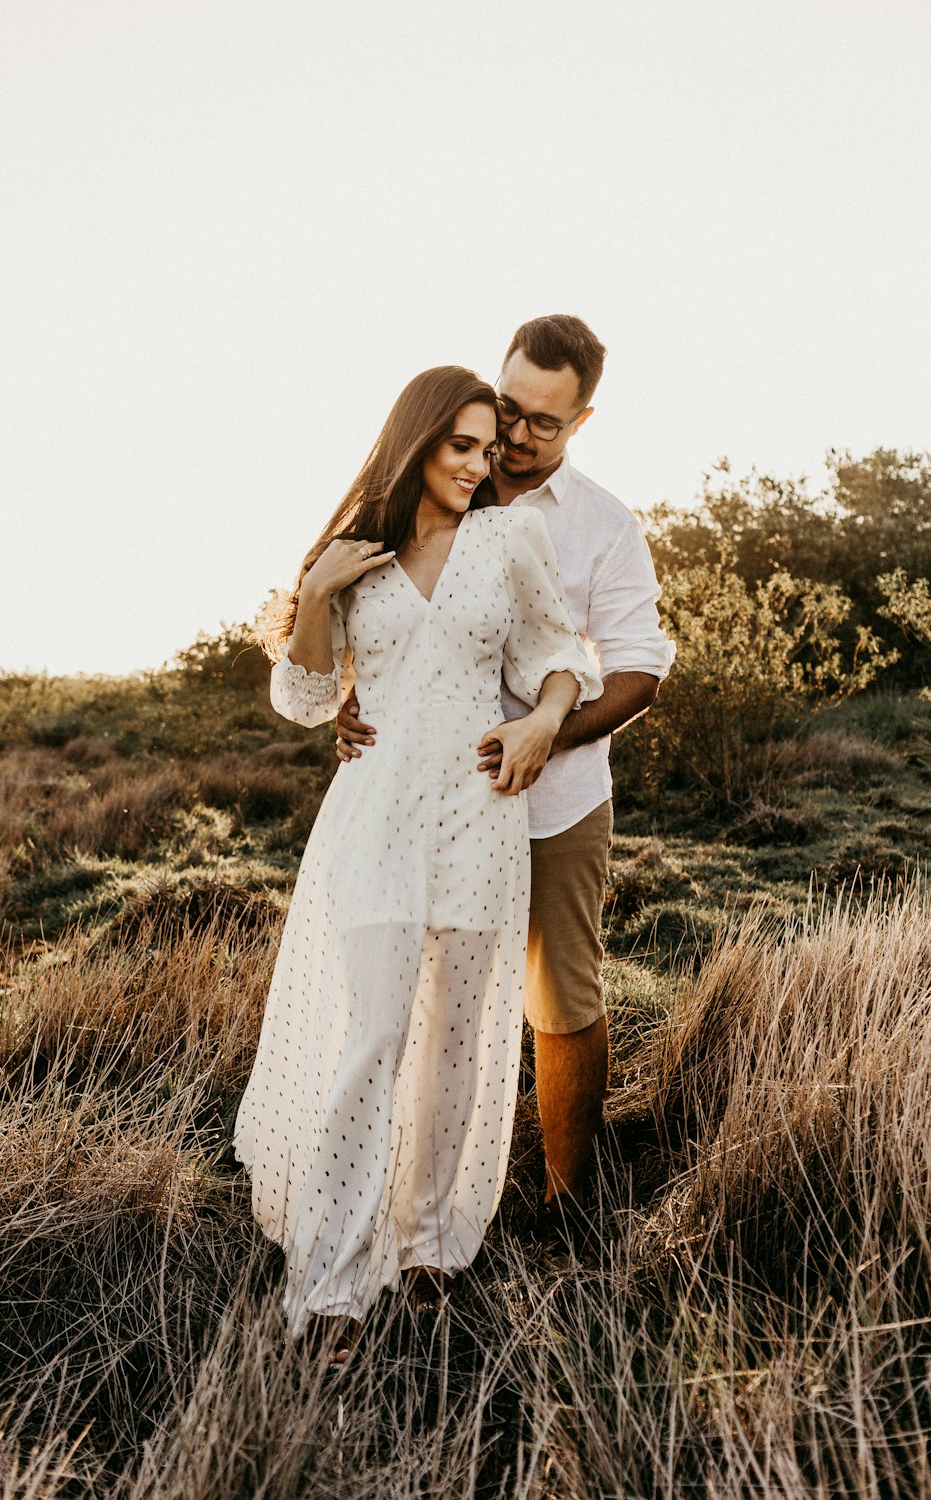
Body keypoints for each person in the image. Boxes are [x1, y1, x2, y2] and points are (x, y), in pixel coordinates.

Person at [234, 365, 601, 1365]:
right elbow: (306, 704)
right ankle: (334, 1289)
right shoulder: (357, 550)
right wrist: (315, 592)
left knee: (456, 1044)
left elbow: (562, 655)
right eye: (462, 445)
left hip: (481, 816)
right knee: (376, 1033)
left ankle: (432, 1249)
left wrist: (541, 720)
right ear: (418, 440)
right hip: (379, 817)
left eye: (492, 449)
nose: (482, 464)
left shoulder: (505, 540)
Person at [337, 318, 675, 1229]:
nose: (518, 440)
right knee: (415, 1001)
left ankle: (569, 1204)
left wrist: (546, 736)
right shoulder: (436, 481)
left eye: (545, 425)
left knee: (559, 994)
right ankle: (401, 1206)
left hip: (555, 805)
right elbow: (364, 615)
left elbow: (641, 664)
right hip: (420, 803)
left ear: (584, 420)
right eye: (510, 410)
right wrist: (349, 699)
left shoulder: (604, 526)